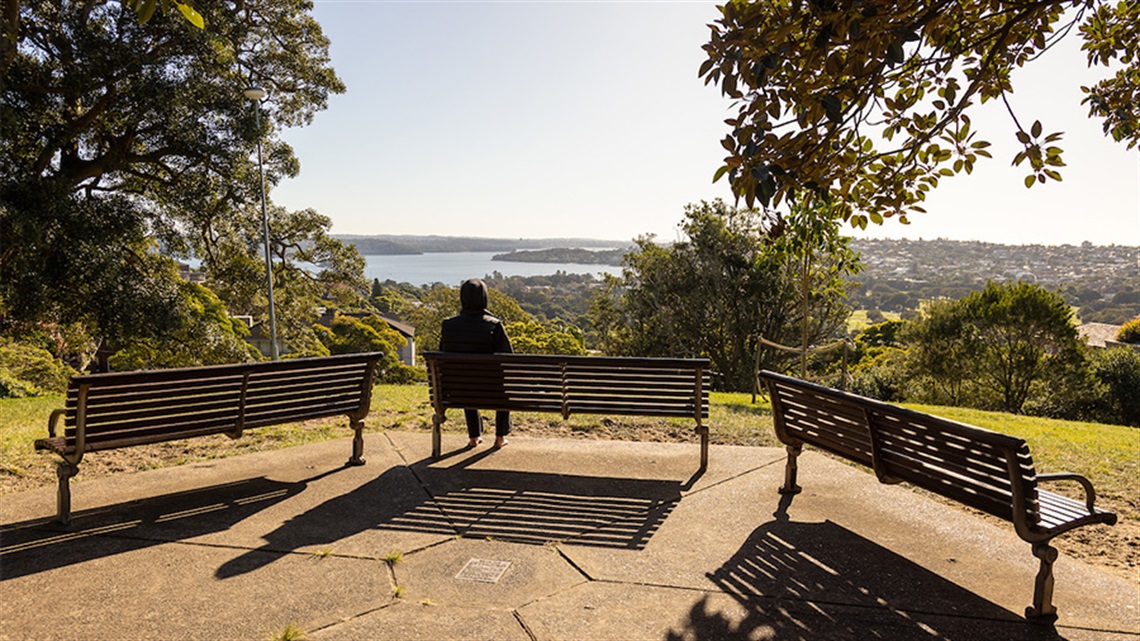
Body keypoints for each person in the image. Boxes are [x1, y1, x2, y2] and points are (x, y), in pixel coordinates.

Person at [440, 278, 513, 449]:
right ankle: (500, 437)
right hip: (491, 391)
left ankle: (474, 436)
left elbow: (444, 356)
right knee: (502, 387)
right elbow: (509, 358)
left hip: (457, 391)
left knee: (465, 376)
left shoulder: (448, 325)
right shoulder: (494, 326)